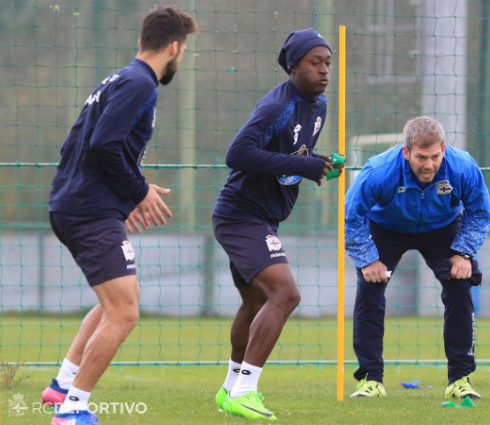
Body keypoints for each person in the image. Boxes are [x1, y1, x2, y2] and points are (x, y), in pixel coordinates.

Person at [40, 6, 196, 425]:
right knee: (124, 312)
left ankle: (61, 386)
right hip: (87, 211)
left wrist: (119, 199)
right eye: (184, 52)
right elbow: (102, 146)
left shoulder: (119, 78)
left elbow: (78, 145)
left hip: (83, 205)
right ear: (175, 48)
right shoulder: (139, 83)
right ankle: (72, 411)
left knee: (121, 302)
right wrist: (136, 191)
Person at [211, 28, 339, 420]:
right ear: (294, 65)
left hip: (264, 216)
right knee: (286, 295)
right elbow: (238, 154)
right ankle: (247, 389)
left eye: (328, 63)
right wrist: (303, 165)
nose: (324, 71)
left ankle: (230, 389)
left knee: (255, 302)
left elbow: (294, 153)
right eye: (315, 63)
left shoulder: (318, 105)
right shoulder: (276, 105)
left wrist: (318, 166)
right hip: (240, 214)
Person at [344, 116, 490, 399]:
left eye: (435, 157)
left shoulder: (463, 167)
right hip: (386, 227)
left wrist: (463, 253)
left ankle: (460, 379)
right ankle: (370, 380)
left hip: (442, 227)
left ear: (444, 150)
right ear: (406, 152)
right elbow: (353, 216)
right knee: (369, 289)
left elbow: (481, 213)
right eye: (421, 157)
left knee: (461, 286)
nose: (429, 165)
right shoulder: (379, 171)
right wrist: (367, 259)